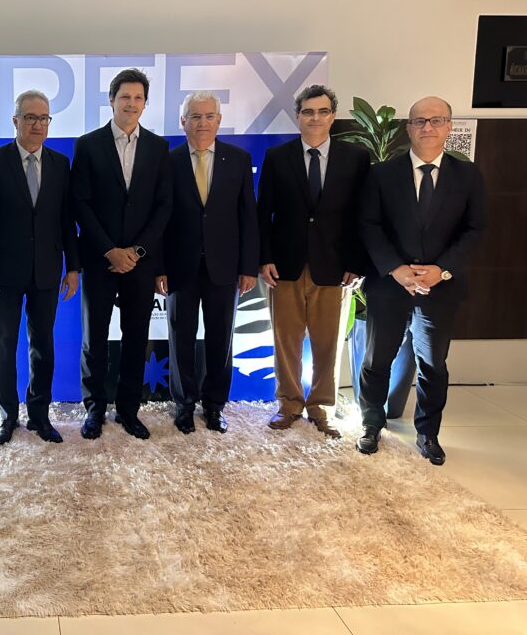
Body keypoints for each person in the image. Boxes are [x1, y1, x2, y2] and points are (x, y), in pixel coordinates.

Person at [357, 96, 486, 464]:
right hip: (389, 285)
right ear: (408, 128)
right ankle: (371, 424)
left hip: (440, 287)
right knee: (376, 360)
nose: (428, 127)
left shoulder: (468, 175)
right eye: (420, 121)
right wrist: (395, 268)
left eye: (436, 120)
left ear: (449, 127)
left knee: (432, 365)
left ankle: (428, 433)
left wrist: (441, 269)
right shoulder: (382, 173)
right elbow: (368, 225)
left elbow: (476, 229)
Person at [257, 84, 370, 438]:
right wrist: (264, 258)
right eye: (308, 112)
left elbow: (363, 215)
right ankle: (289, 404)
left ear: (332, 116)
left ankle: (322, 407)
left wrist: (357, 262)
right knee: (285, 340)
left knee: (328, 342)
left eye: (322, 112)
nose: (315, 118)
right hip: (285, 265)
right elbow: (263, 213)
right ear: (298, 116)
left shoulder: (356, 158)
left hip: (335, 267)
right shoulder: (278, 157)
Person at [71, 69, 172, 440]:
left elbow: (164, 206)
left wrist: (137, 251)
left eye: (138, 98)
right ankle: (94, 409)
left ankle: (129, 410)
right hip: (100, 259)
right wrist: (109, 250)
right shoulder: (88, 145)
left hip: (141, 263)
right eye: (125, 97)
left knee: (136, 338)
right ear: (111, 100)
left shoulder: (159, 147)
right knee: (94, 338)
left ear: (145, 103)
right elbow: (80, 203)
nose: (131, 103)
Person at [0, 91, 80, 446]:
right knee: (5, 345)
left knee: (43, 346)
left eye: (44, 118)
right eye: (30, 117)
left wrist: (73, 267)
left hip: (48, 270)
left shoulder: (60, 163)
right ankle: (8, 416)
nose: (38, 124)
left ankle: (39, 415)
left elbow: (67, 221)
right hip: (4, 272)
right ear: (16, 121)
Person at [156, 92, 258, 434]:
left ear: (219, 120)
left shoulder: (238, 159)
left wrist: (248, 267)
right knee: (180, 339)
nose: (202, 123)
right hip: (179, 266)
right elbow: (160, 220)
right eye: (195, 117)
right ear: (183, 122)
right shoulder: (167, 161)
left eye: (209, 116)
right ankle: (184, 404)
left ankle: (214, 405)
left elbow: (248, 216)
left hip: (224, 267)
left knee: (220, 339)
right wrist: (159, 267)